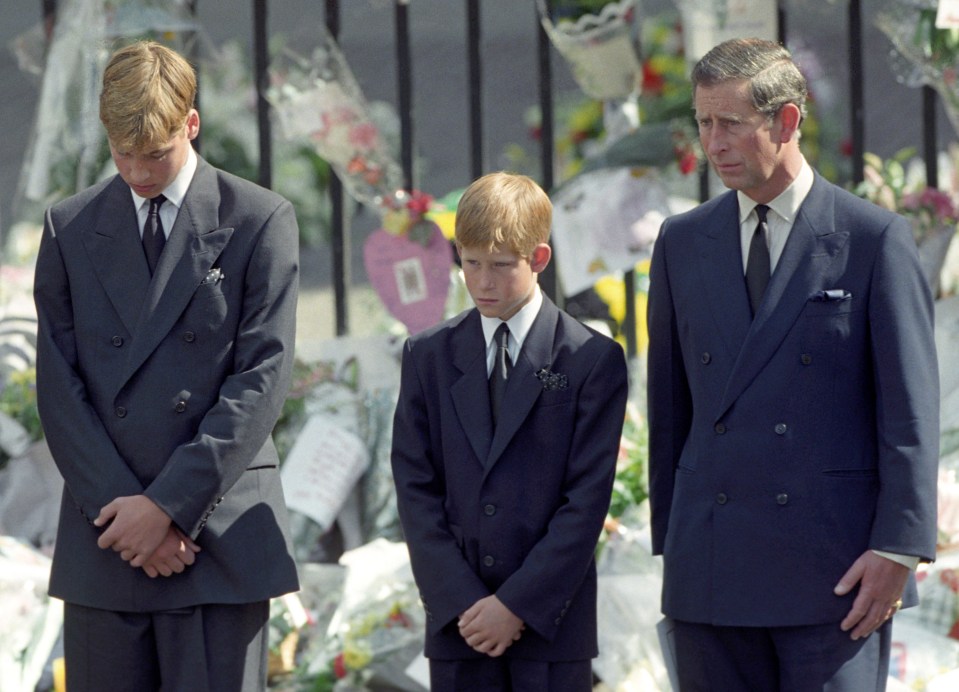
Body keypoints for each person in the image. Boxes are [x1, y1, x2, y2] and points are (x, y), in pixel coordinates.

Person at [646, 37, 940, 689]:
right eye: (702, 122)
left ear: (784, 122)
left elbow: (909, 414)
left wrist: (896, 550)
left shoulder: (873, 239)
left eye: (729, 123)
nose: (712, 142)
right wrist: (675, 549)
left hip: (833, 576)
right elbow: (670, 411)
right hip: (710, 573)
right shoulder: (680, 242)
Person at [33, 40, 300, 692]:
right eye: (121, 154)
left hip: (215, 534)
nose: (138, 173)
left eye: (154, 154)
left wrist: (171, 509)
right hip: (108, 536)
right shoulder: (71, 227)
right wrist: (126, 517)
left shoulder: (259, 220)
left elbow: (261, 376)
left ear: (192, 124)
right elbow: (58, 385)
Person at [391, 171, 629, 690]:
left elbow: (586, 499)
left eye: (500, 267)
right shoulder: (428, 356)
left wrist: (517, 604)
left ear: (539, 259)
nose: (482, 282)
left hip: (549, 626)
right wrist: (462, 600)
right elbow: (414, 486)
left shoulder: (591, 359)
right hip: (461, 624)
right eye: (469, 263)